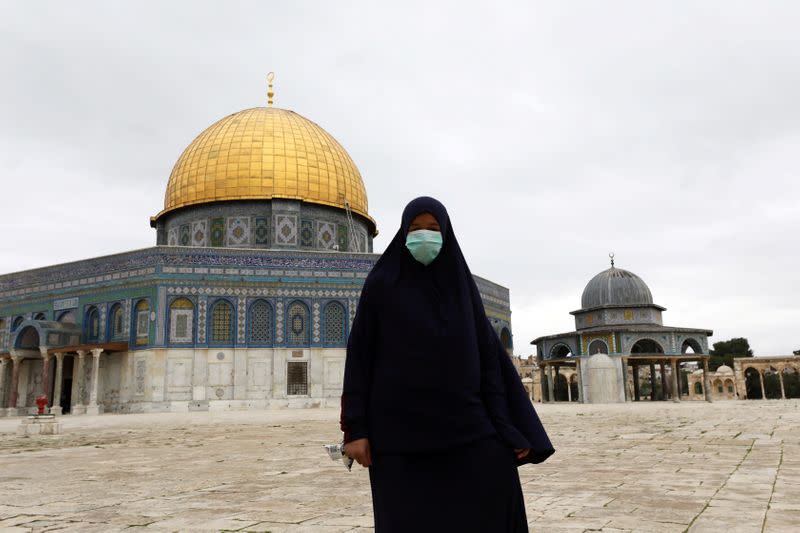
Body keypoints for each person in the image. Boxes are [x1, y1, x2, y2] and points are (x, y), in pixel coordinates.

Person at [340, 197, 554, 532]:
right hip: (399, 442)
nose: (424, 236)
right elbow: (360, 358)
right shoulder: (381, 285)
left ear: (447, 234)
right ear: (402, 233)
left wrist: (506, 427)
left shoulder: (461, 287)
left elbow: (489, 363)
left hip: (467, 432)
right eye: (415, 229)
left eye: (433, 229)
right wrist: (356, 430)